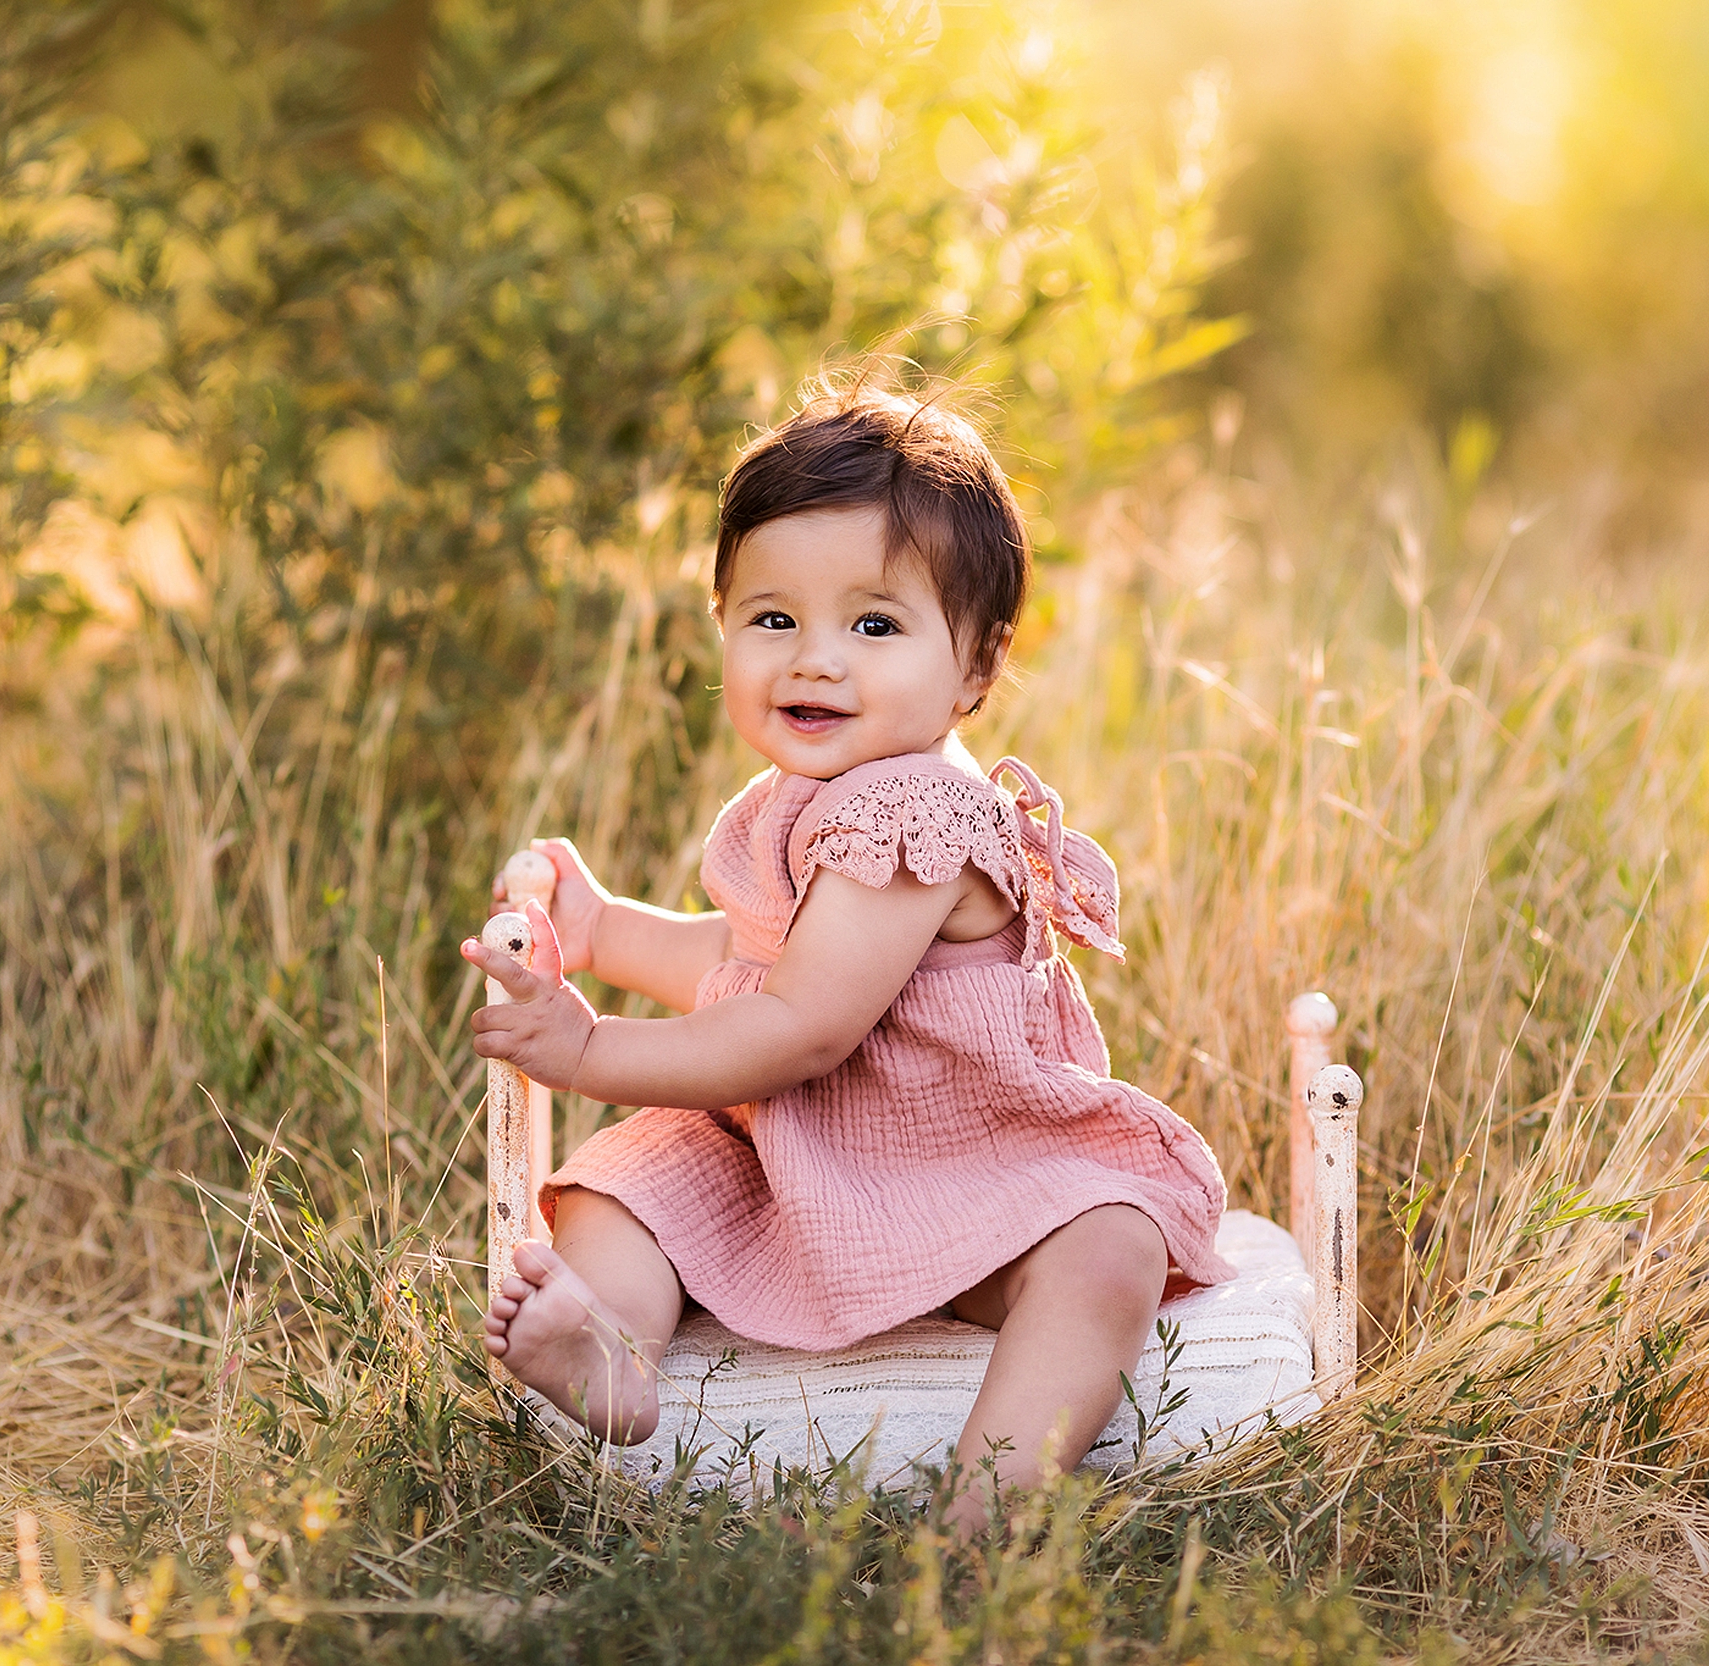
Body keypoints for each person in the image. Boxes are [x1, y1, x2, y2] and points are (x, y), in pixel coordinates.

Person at [460, 379, 1232, 1531]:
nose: (815, 661)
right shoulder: (807, 793)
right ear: (720, 622)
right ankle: (606, 1350)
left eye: (874, 625)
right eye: (773, 619)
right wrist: (608, 929)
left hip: (966, 1166)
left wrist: (587, 1045)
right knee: (627, 1184)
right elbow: (754, 959)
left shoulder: (917, 812)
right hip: (795, 1151)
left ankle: (990, 1502)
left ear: (974, 668)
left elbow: (798, 1027)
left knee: (1104, 1250)